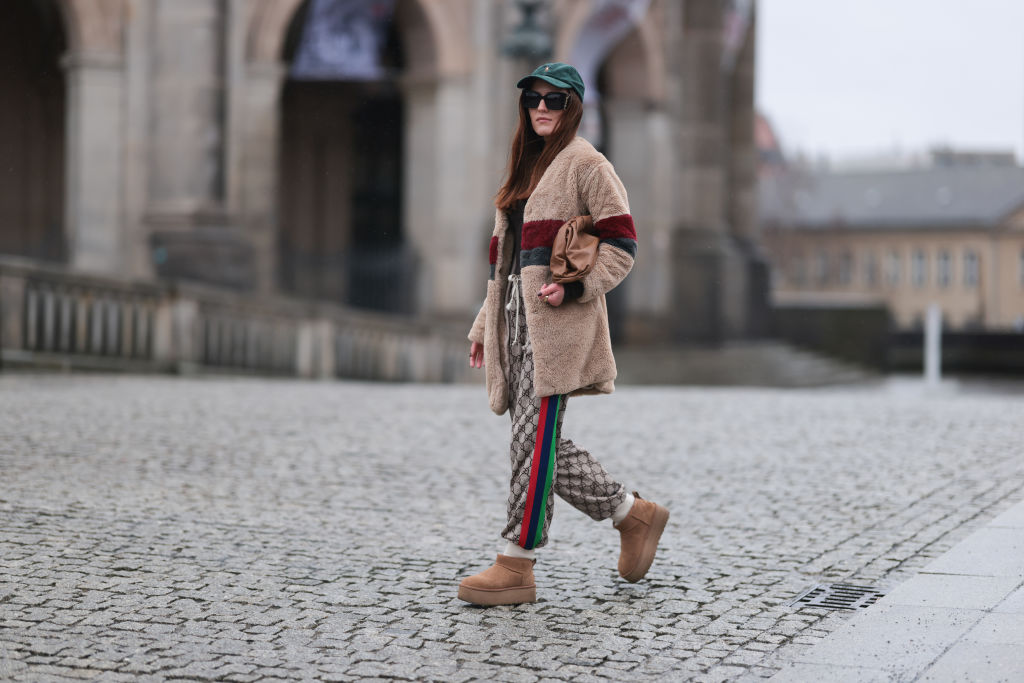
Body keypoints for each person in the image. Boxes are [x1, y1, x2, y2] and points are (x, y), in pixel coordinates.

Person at [458, 63, 669, 606]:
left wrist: (576, 288)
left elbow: (622, 245)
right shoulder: (524, 168)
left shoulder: (587, 164)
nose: (542, 108)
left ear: (573, 106)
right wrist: (484, 324)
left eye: (554, 100)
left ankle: (516, 563)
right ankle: (631, 514)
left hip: (559, 332)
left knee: (531, 445)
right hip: (517, 326)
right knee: (535, 442)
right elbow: (504, 266)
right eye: (533, 99)